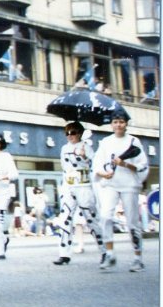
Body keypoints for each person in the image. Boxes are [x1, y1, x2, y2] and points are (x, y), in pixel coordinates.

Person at [93, 110, 149, 272]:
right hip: (111, 184)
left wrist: (125, 164)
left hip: (129, 184)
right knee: (105, 216)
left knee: (132, 222)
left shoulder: (134, 141)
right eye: (115, 122)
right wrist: (104, 173)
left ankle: (138, 258)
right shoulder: (105, 142)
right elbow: (97, 165)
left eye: (121, 122)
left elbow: (142, 165)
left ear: (126, 124)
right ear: (111, 124)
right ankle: (110, 254)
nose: (118, 125)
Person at [52, 121, 107, 266]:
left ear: (80, 133)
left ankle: (104, 251)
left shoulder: (86, 147)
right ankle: (64, 254)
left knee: (91, 219)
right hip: (68, 186)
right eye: (67, 133)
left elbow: (95, 165)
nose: (70, 136)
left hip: (83, 186)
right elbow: (64, 167)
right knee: (65, 219)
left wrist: (84, 157)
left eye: (73, 132)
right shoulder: (64, 148)